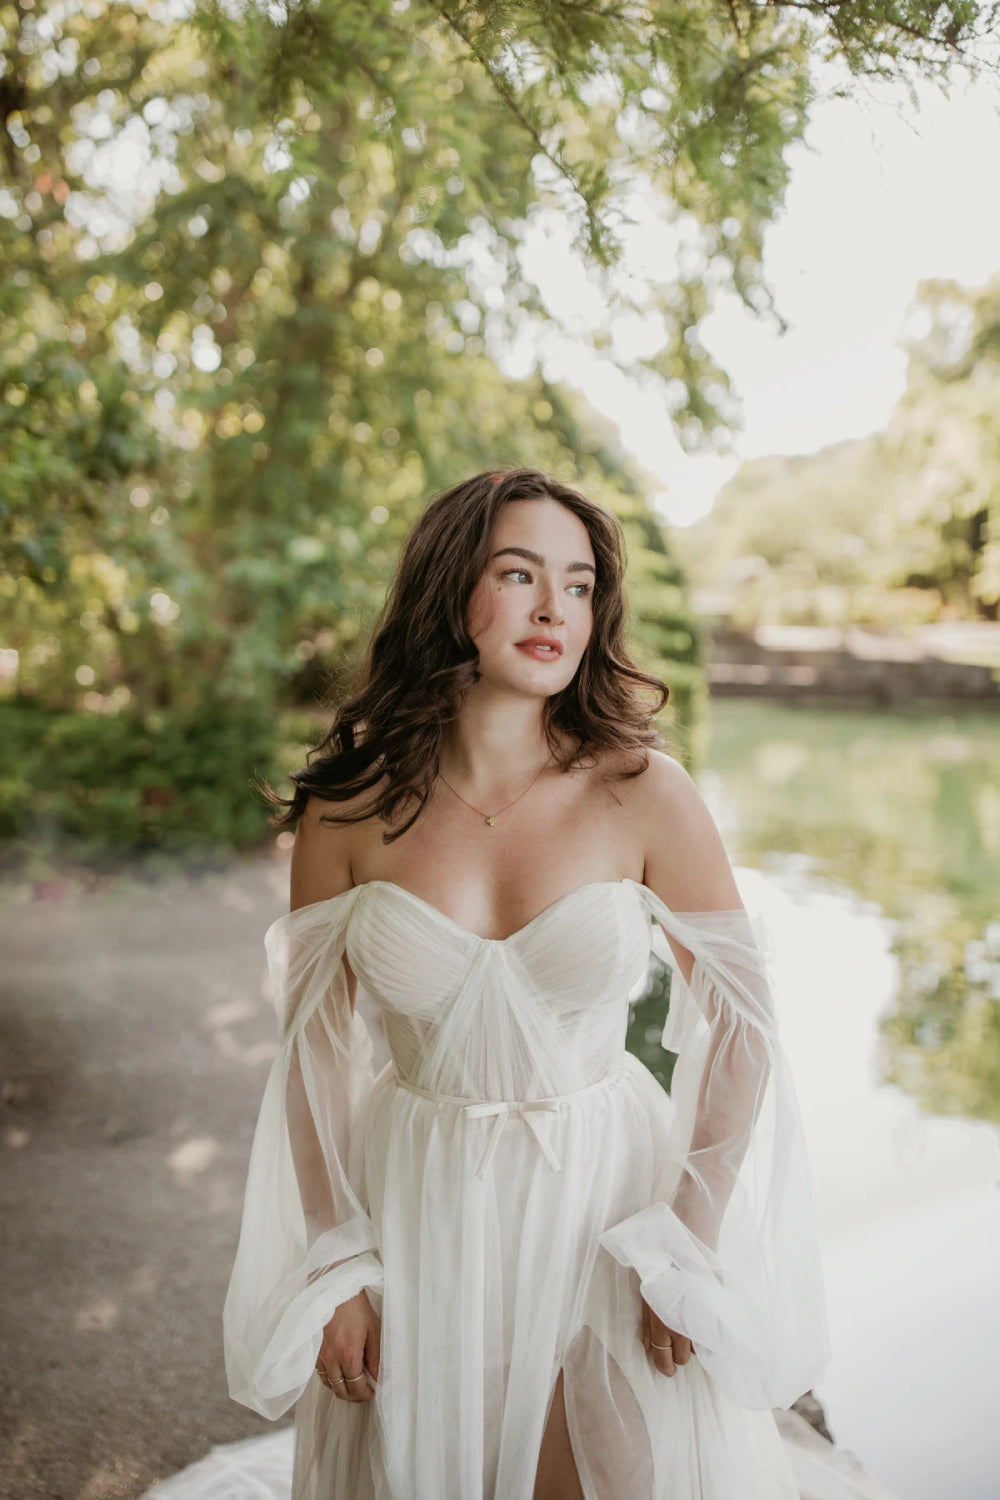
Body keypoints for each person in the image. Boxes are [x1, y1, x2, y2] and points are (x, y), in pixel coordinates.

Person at [223, 468, 830, 1499]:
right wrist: (335, 1264)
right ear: (452, 589)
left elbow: (744, 1026)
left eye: (580, 585)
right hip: (418, 1197)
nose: (556, 609)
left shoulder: (643, 789)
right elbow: (313, 1053)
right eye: (519, 575)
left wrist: (682, 1234)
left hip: (603, 1198)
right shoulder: (349, 805)